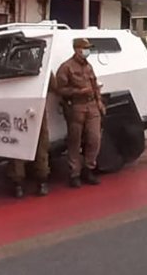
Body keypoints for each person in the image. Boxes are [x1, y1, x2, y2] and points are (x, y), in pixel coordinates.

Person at [56, 39, 105, 188]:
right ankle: (74, 173)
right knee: (74, 141)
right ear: (77, 49)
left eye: (88, 48)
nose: (87, 51)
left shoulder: (89, 67)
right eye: (85, 48)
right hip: (76, 106)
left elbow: (94, 85)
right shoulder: (66, 68)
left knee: (94, 138)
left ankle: (89, 168)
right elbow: (61, 90)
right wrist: (78, 92)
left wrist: (99, 102)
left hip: (91, 106)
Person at [7, 110, 51, 198]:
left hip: (17, 107)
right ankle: (41, 182)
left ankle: (19, 185)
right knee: (40, 143)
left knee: (17, 142)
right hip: (36, 106)